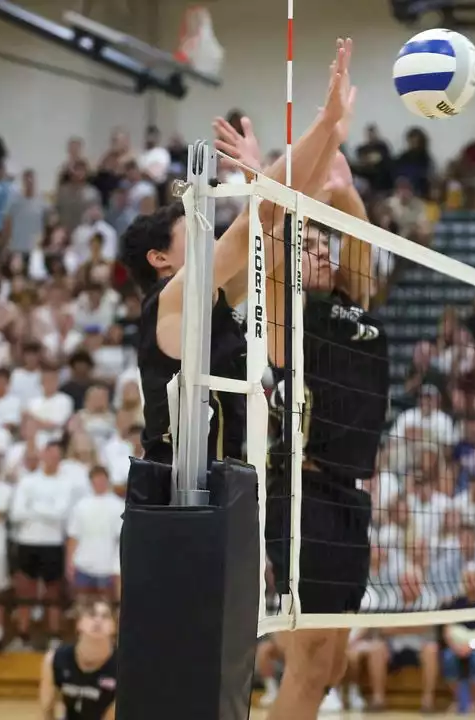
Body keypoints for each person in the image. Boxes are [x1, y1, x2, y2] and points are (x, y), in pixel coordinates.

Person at [209, 42, 392, 720]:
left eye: (325, 244)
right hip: (303, 491)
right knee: (311, 663)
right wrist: (267, 175)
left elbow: (362, 240)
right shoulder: (289, 307)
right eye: (310, 244)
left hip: (349, 498)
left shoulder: (355, 300)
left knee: (332, 664)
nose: (319, 250)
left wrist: (343, 187)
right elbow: (276, 235)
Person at [120, 38, 357, 470]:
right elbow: (258, 218)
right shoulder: (169, 301)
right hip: (176, 501)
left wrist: (331, 140)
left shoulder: (217, 297)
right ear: (160, 259)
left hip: (224, 493)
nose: (208, 236)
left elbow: (278, 220)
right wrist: (323, 122)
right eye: (192, 230)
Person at [39, 599, 118, 720]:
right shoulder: (55, 659)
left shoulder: (123, 667)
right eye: (91, 614)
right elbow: (46, 709)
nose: (98, 620)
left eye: (105, 616)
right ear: (79, 623)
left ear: (114, 627)